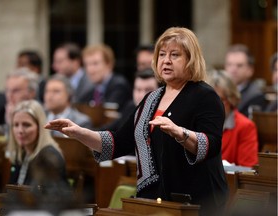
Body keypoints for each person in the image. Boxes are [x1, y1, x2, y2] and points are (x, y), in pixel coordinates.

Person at [45, 27, 228, 216]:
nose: (166, 60)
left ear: (191, 60)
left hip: (196, 201)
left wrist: (180, 133)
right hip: (154, 198)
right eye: (162, 54)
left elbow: (211, 145)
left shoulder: (205, 96)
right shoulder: (151, 98)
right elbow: (117, 143)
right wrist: (78, 132)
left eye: (175, 55)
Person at [7, 100, 68, 187]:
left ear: (40, 127)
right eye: (16, 125)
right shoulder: (21, 153)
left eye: (26, 125)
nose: (20, 131)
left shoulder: (50, 157)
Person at [207, 70, 259, 167]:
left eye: (220, 100)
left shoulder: (245, 126)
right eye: (209, 100)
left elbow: (248, 170)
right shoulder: (198, 122)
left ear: (232, 99)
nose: (214, 105)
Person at [81, 44, 132, 111]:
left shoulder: (119, 86)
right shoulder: (91, 92)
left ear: (109, 64)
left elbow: (107, 115)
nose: (90, 70)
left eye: (95, 64)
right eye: (87, 65)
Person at [224, 44, 267, 117]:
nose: (233, 70)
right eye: (229, 64)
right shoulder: (219, 91)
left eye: (239, 65)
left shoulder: (256, 96)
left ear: (250, 70)